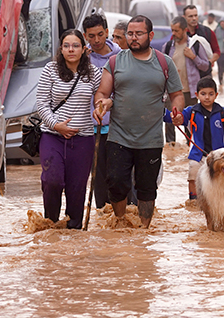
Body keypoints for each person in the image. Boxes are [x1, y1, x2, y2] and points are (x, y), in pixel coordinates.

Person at [94, 15, 186, 228]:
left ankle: (144, 230)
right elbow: (102, 92)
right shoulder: (115, 61)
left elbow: (177, 95)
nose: (133, 38)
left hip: (151, 138)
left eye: (139, 34)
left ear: (150, 35)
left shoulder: (164, 62)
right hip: (119, 136)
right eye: (130, 34)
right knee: (116, 183)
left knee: (146, 189)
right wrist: (102, 104)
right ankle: (120, 222)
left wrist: (177, 112)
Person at [36, 29, 102, 229]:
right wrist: (56, 125)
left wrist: (100, 107)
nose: (71, 50)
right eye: (66, 46)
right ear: (61, 49)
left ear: (83, 49)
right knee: (52, 180)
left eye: (75, 46)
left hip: (83, 139)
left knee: (77, 188)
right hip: (52, 136)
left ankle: (73, 231)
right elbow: (41, 103)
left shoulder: (93, 73)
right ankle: (51, 225)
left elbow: (103, 95)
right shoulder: (50, 69)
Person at [82, 13, 130, 208]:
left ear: (107, 32)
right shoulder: (81, 58)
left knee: (121, 174)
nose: (96, 40)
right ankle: (103, 215)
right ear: (85, 36)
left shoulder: (122, 57)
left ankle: (126, 213)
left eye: (100, 34)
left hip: (119, 126)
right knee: (98, 176)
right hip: (91, 127)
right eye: (91, 36)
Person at [165, 77, 224, 201]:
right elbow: (176, 118)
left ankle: (219, 201)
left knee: (221, 179)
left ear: (216, 95)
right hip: (198, 154)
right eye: (203, 94)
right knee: (193, 176)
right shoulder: (191, 112)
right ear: (197, 95)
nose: (207, 97)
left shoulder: (222, 113)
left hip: (218, 156)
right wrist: (164, 113)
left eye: (210, 94)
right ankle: (194, 201)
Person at [163, 16, 209, 150]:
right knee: (170, 122)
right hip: (172, 91)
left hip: (190, 91)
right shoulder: (167, 47)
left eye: (176, 31)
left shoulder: (195, 45)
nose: (173, 33)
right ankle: (171, 149)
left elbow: (205, 66)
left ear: (185, 30)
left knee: (190, 122)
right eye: (172, 30)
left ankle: (190, 149)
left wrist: (193, 57)